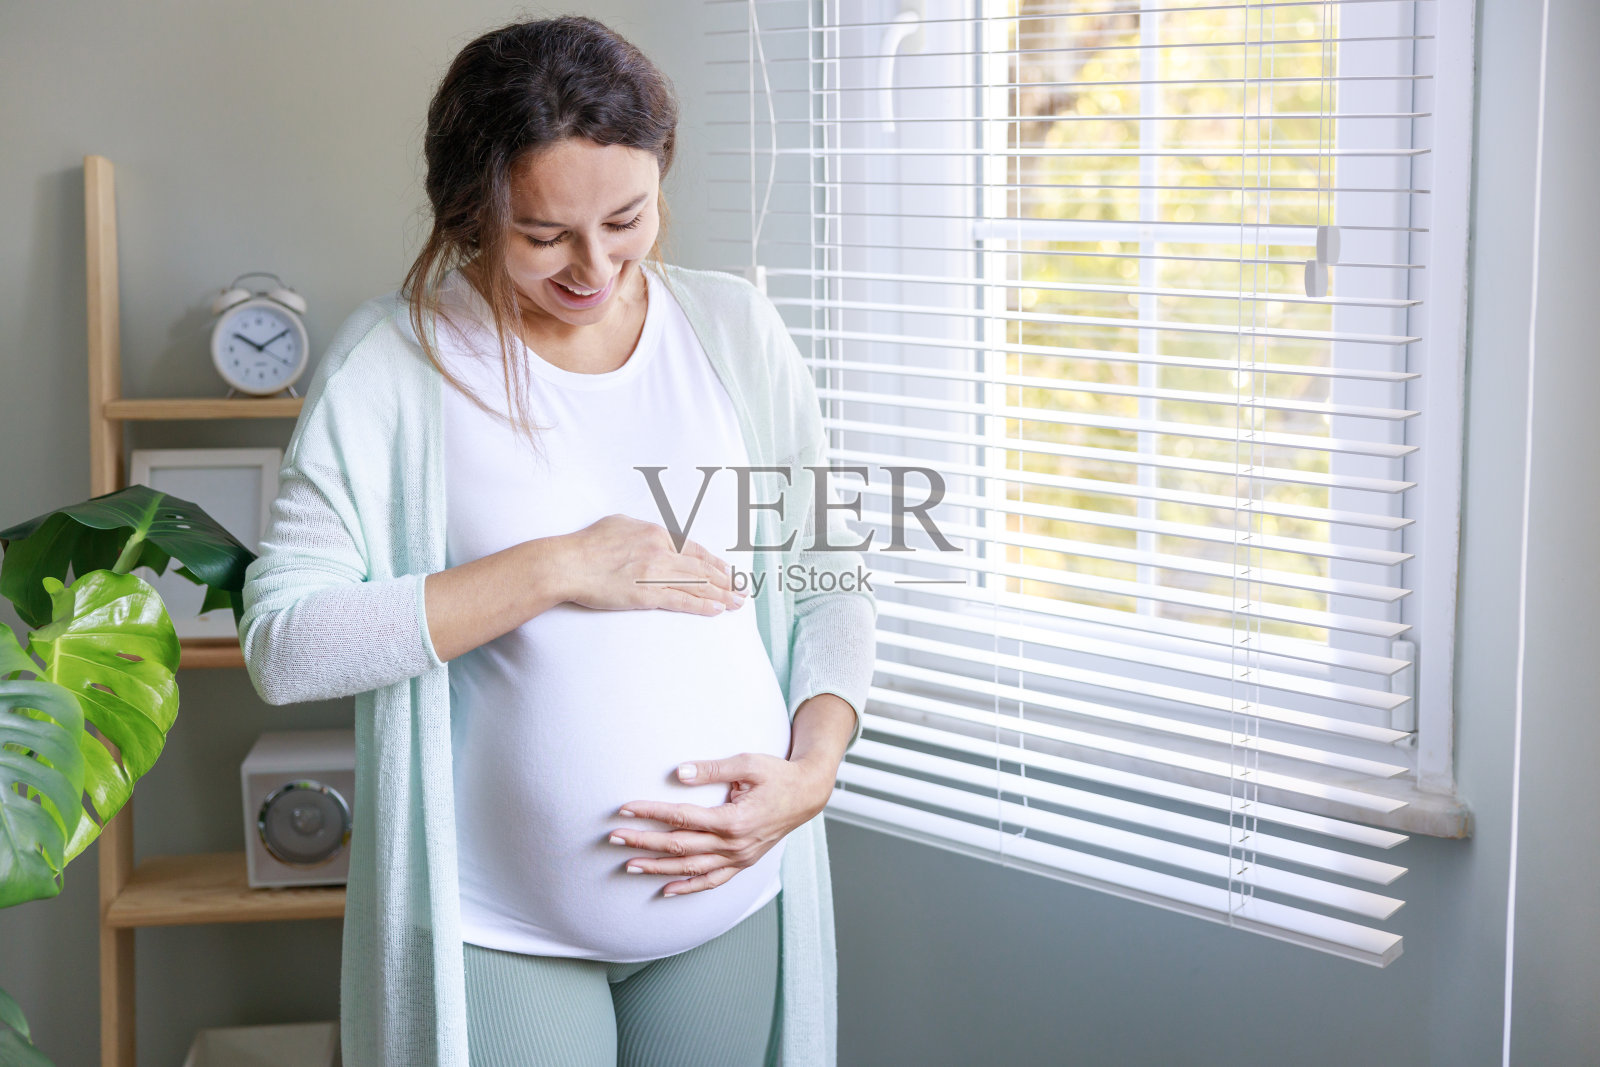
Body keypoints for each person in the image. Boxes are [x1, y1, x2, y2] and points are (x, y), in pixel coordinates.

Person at [238, 14, 877, 1067]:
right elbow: (288, 641)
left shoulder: (731, 333)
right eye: (544, 235)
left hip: (731, 898)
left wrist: (815, 765)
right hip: (503, 927)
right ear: (470, 213)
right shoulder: (394, 367)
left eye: (628, 217)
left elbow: (828, 576)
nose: (596, 266)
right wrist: (558, 566)